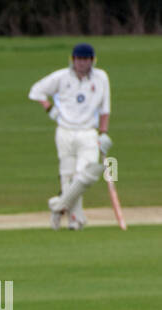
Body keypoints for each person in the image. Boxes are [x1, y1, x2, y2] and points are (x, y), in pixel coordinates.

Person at [28, 42, 112, 230]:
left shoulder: (101, 78)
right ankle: (75, 220)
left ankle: (58, 206)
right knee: (68, 178)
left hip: (88, 132)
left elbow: (105, 109)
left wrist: (103, 133)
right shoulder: (61, 77)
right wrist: (50, 109)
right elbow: (36, 91)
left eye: (86, 59)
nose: (82, 63)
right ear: (72, 60)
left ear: (93, 60)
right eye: (79, 59)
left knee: (86, 174)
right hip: (65, 131)